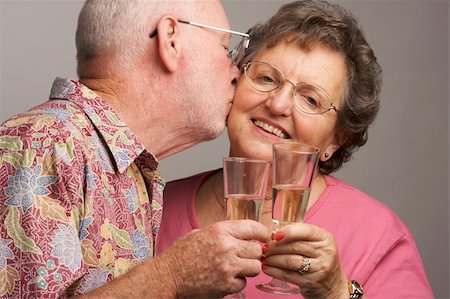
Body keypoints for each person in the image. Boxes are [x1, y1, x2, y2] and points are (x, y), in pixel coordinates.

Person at [157, 1, 434, 298]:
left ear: (336, 139)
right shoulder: (156, 207)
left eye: (311, 100)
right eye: (266, 78)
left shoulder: (377, 234)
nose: (277, 105)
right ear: (236, 80)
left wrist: (336, 292)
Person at [0, 0, 271, 297]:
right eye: (226, 48)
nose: (236, 72)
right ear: (170, 40)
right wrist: (172, 275)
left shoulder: (130, 170)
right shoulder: (41, 144)